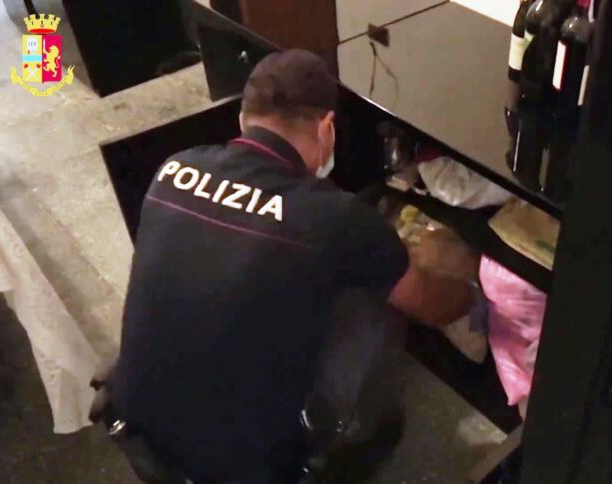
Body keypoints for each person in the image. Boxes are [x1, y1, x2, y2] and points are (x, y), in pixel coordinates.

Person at [101, 50, 473, 482]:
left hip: (137, 429)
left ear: (243, 120)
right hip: (248, 469)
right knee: (377, 299)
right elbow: (433, 306)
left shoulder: (174, 167)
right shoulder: (338, 218)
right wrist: (472, 286)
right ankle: (347, 435)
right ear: (327, 127)